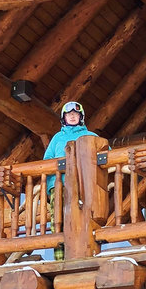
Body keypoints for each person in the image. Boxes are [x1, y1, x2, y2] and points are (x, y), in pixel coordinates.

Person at [44, 102, 96, 260]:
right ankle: (60, 258)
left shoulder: (91, 136)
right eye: (69, 114)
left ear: (81, 117)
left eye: (76, 114)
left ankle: (85, 254)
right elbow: (46, 162)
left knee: (82, 219)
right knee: (58, 222)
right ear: (64, 118)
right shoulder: (57, 138)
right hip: (59, 186)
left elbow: (106, 154)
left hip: (83, 186)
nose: (72, 116)